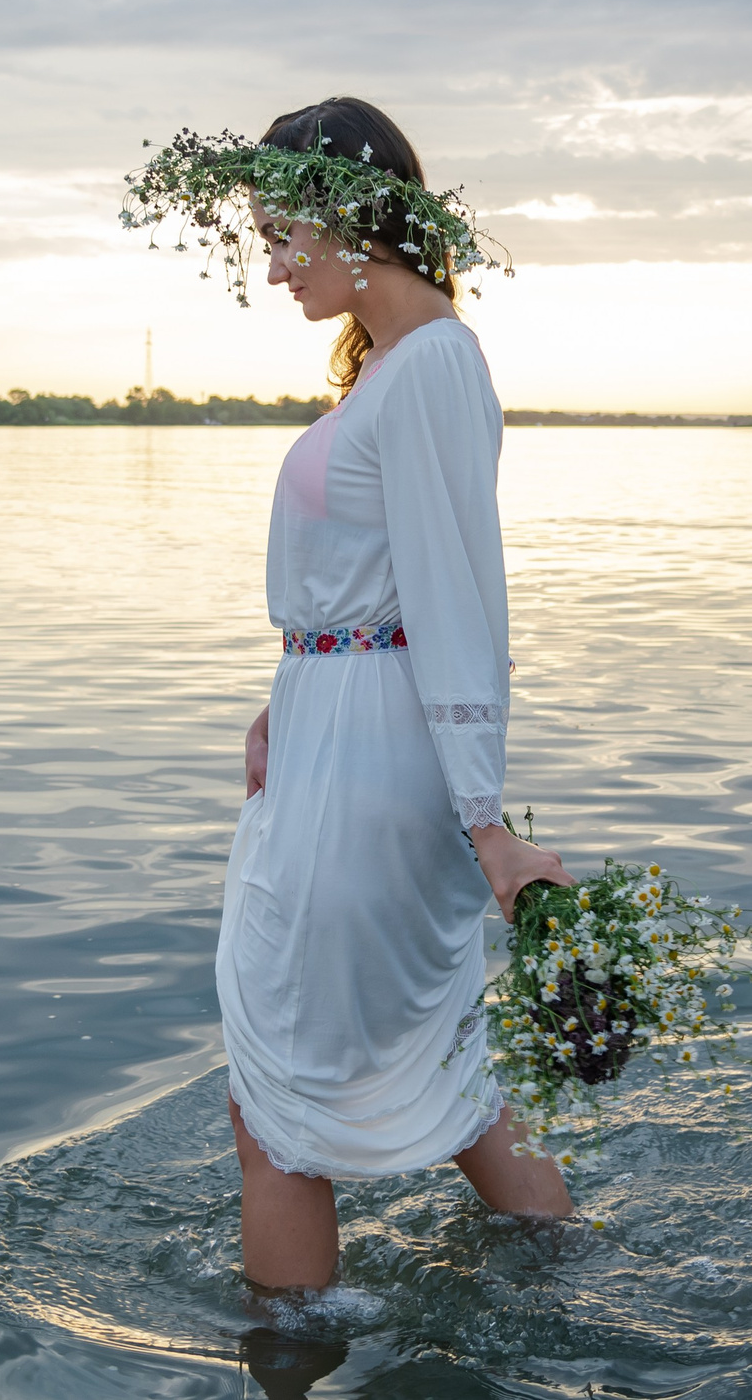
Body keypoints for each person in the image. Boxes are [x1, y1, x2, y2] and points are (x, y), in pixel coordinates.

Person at [217, 96, 577, 1293]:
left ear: (347, 218)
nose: (270, 267)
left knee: (275, 1101)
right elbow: (372, 590)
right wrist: (292, 692)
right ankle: (563, 1273)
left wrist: (489, 828)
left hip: (374, 772)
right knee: (440, 1061)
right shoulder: (394, 368)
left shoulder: (428, 366)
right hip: (337, 739)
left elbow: (460, 602)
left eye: (281, 235)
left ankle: (285, 1363)